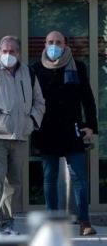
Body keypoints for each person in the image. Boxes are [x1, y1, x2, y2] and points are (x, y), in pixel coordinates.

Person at [0, 35, 45, 235]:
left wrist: (31, 122)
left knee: (14, 184)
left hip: (20, 136)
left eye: (12, 51)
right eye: (5, 51)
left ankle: (7, 224)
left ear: (19, 53)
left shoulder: (28, 73)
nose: (8, 54)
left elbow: (39, 101)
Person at [31, 31, 98, 236]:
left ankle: (84, 221)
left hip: (72, 130)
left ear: (65, 44)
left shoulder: (77, 67)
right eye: (50, 42)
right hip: (47, 131)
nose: (54, 45)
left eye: (58, 42)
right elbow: (29, 102)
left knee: (79, 177)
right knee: (49, 177)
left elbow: (87, 99)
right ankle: (53, 221)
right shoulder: (35, 69)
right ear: (45, 43)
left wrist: (91, 127)